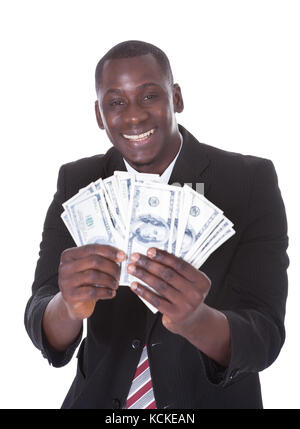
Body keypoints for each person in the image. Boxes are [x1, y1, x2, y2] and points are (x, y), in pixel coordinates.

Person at [24, 40, 289, 409]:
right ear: (99, 115)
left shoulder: (248, 181)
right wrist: (67, 308)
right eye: (115, 102)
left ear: (176, 97)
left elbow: (266, 334)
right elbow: (40, 312)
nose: (134, 117)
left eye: (149, 96)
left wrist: (197, 320)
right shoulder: (79, 181)